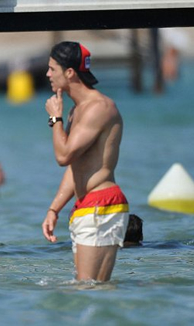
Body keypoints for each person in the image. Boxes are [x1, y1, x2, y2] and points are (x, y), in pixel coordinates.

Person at [42, 41, 130, 282]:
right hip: (87, 207)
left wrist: (54, 118)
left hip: (102, 206)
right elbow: (75, 166)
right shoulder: (76, 110)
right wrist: (54, 209)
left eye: (52, 69)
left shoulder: (99, 108)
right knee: (85, 291)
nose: (47, 74)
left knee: (90, 289)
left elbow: (63, 156)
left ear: (69, 72)